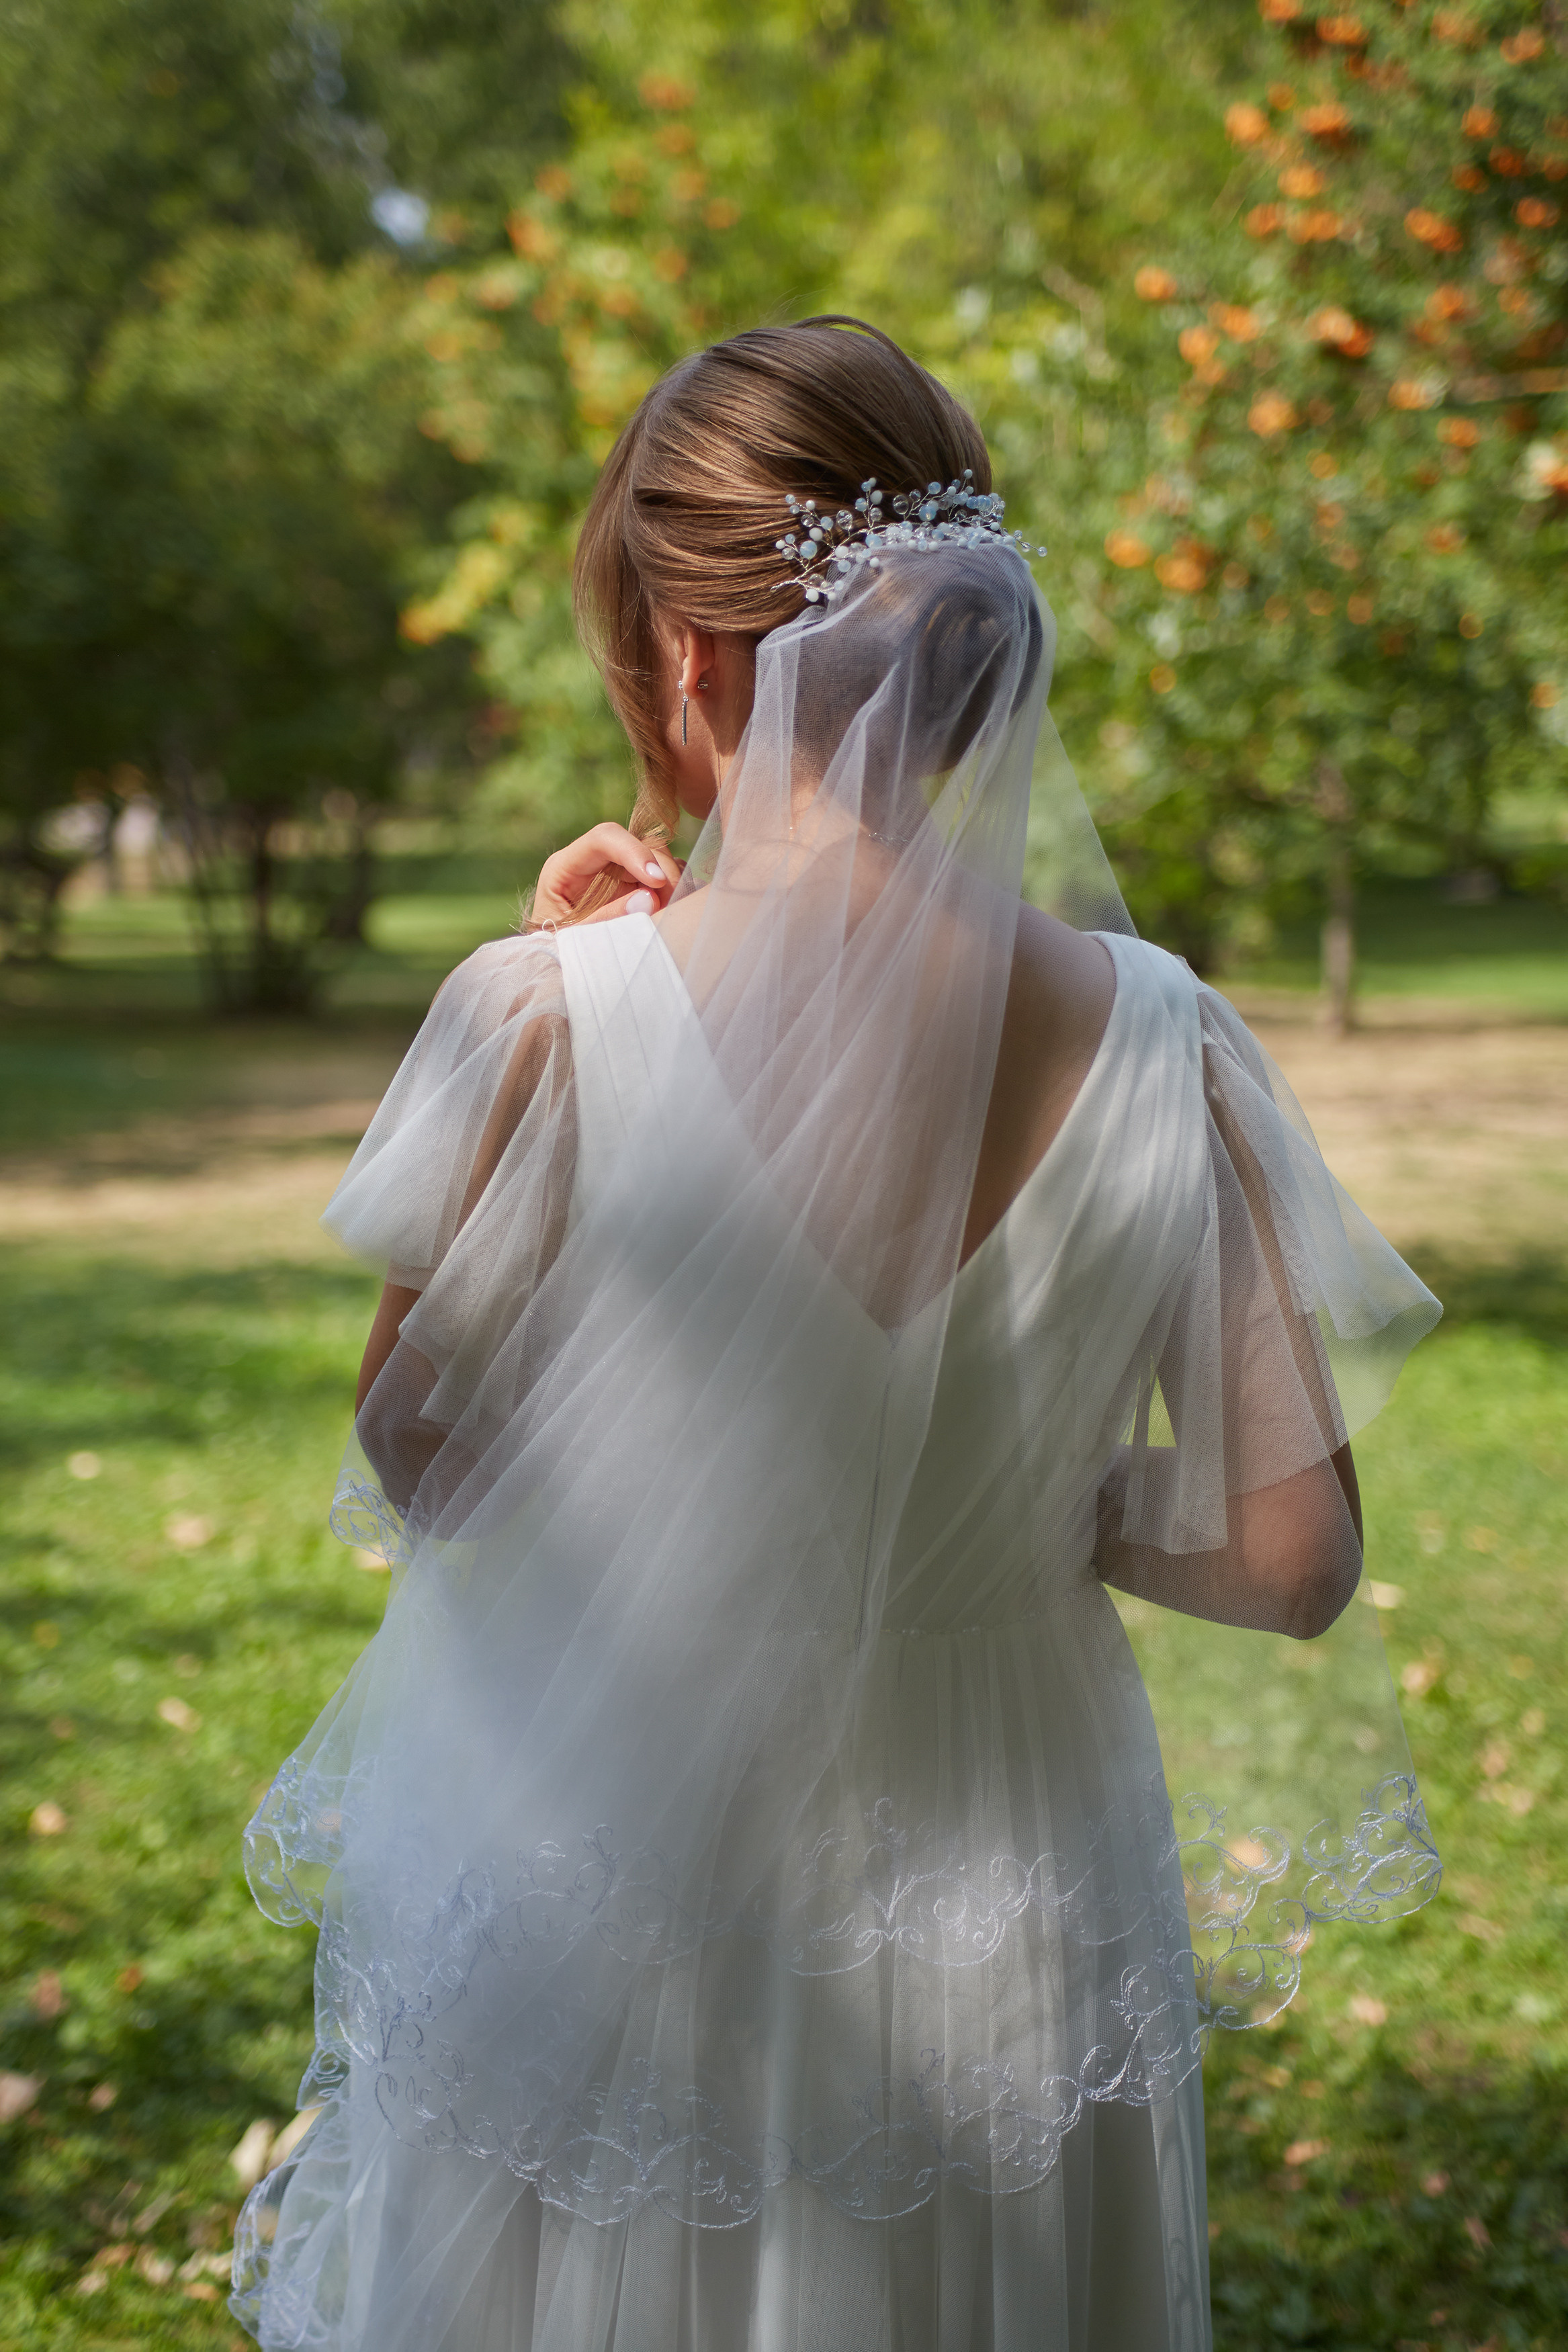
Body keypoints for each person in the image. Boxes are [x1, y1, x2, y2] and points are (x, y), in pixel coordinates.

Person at [232, 320, 1441, 2352]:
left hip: (633, 1902)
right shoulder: (1171, 1034)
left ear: (689, 654)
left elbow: (424, 1466)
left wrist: (547, 998)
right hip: (1008, 1908)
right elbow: (1293, 1554)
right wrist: (1045, 1509)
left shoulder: (548, 1020)